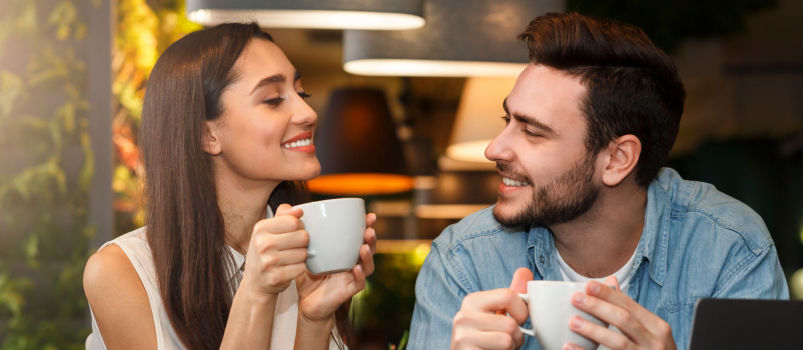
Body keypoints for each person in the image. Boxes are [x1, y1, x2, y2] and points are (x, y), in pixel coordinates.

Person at [409, 12, 788, 350]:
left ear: (617, 160)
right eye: (507, 121)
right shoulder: (464, 260)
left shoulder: (728, 247)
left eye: (533, 132)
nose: (494, 149)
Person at [82, 23, 376, 350]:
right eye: (274, 99)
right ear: (206, 135)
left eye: (301, 93)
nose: (308, 112)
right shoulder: (120, 272)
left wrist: (315, 319)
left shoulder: (307, 258)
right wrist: (256, 291)